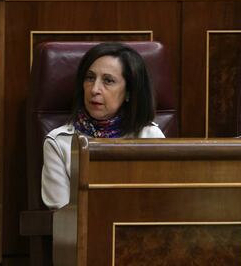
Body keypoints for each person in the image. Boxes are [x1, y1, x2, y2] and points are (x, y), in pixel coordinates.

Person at [41, 42, 165, 209]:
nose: (95, 89)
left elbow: (160, 204)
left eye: (108, 81)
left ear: (129, 92)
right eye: (90, 78)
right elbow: (62, 213)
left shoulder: (150, 137)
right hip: (82, 233)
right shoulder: (59, 142)